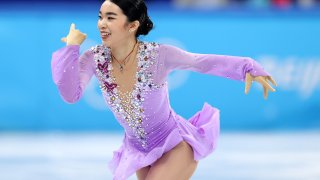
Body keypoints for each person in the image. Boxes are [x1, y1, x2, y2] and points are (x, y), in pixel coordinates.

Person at [51, 0, 277, 179]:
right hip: (138, 150)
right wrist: (71, 48)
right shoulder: (94, 58)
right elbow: (70, 95)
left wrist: (248, 67)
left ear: (132, 25)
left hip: (174, 144)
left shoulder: (157, 55)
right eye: (100, 17)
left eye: (110, 17)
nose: (101, 24)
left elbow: (200, 62)